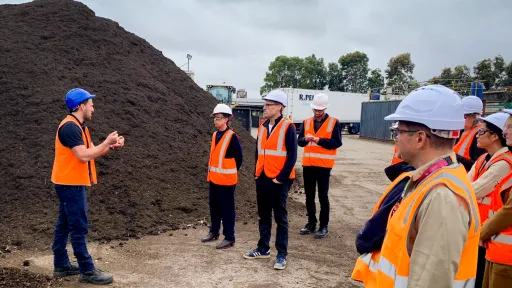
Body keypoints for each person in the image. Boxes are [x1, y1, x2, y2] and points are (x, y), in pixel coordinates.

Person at [355, 85, 481, 287]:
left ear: (420, 138)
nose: (395, 138)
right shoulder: (427, 180)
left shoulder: (442, 197)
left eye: (398, 131)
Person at [51, 88, 124, 285]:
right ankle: (87, 270)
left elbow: (91, 150)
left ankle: (61, 265)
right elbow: (83, 156)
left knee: (65, 224)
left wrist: (110, 146)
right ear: (81, 106)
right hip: (70, 184)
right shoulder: (70, 128)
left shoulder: (79, 126)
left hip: (68, 182)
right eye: (91, 104)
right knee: (78, 227)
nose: (93, 107)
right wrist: (107, 142)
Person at [243, 89, 297, 270]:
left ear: (280, 107)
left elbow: (291, 156)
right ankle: (263, 248)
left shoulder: (288, 127)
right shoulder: (263, 126)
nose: (265, 107)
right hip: (263, 177)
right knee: (263, 215)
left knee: (280, 218)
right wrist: (256, 173)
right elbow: (258, 152)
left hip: (279, 180)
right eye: (265, 104)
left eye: (269, 105)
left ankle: (282, 254)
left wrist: (280, 179)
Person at [466, 112, 512, 287]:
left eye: (481, 132)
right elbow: (466, 187)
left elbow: (473, 190)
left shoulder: (504, 163)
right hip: (480, 229)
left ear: (494, 136)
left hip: (490, 234)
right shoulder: (482, 160)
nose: (477, 135)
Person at [297, 93, 342, 239]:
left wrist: (318, 140)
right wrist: (305, 138)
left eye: (320, 110)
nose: (317, 112)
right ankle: (311, 223)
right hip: (308, 165)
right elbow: (300, 142)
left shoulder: (334, 122)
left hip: (323, 166)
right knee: (309, 196)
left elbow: (336, 143)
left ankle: (323, 226)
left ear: (325, 109)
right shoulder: (306, 122)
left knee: (323, 196)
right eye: (315, 110)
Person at [201, 103, 243, 249]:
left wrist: (229, 171)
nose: (215, 120)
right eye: (215, 118)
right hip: (214, 178)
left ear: (226, 119)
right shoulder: (214, 135)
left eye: (219, 118)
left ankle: (229, 237)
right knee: (214, 207)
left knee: (227, 209)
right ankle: (214, 231)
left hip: (226, 180)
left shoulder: (232, 137)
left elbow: (239, 158)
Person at [479, 109, 512, 288]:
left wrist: (482, 232)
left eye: (510, 127)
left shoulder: (504, 163)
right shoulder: (484, 159)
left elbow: (509, 210)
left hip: (505, 255)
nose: (505, 131)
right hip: (496, 249)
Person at [455, 96, 486, 171]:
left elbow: (476, 165)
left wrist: (454, 157)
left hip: (466, 178)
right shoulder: (461, 130)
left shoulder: (479, 135)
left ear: (474, 117)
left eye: (463, 116)